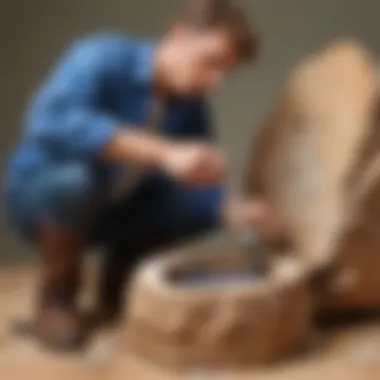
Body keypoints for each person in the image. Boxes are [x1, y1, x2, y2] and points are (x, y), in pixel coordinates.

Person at [4, 0, 272, 351]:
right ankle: (55, 303)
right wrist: (163, 153)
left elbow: (198, 190)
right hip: (40, 197)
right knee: (74, 180)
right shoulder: (101, 56)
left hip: (112, 211)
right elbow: (49, 121)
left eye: (225, 72)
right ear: (180, 35)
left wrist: (230, 210)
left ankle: (118, 287)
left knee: (197, 209)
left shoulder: (191, 105)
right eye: (210, 63)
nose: (215, 82)